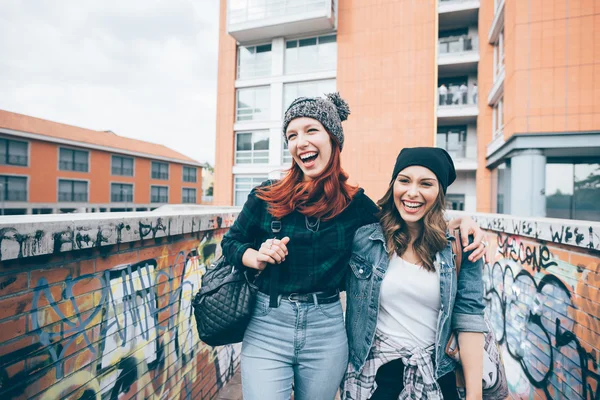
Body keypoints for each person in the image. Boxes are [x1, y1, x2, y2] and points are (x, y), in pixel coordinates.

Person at [221, 94, 486, 400]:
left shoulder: (355, 205)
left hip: (326, 325)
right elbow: (231, 243)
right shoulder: (266, 195)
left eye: (311, 131)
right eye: (292, 135)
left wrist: (463, 221)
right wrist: (254, 256)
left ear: (333, 139)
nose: (300, 142)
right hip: (268, 320)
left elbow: (408, 215)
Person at [343, 147, 487, 400]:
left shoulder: (460, 246)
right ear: (393, 186)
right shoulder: (365, 238)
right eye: (404, 180)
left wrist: (475, 396)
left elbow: (470, 321)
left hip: (436, 374)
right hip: (375, 376)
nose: (412, 192)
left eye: (426, 184)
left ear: (439, 193)